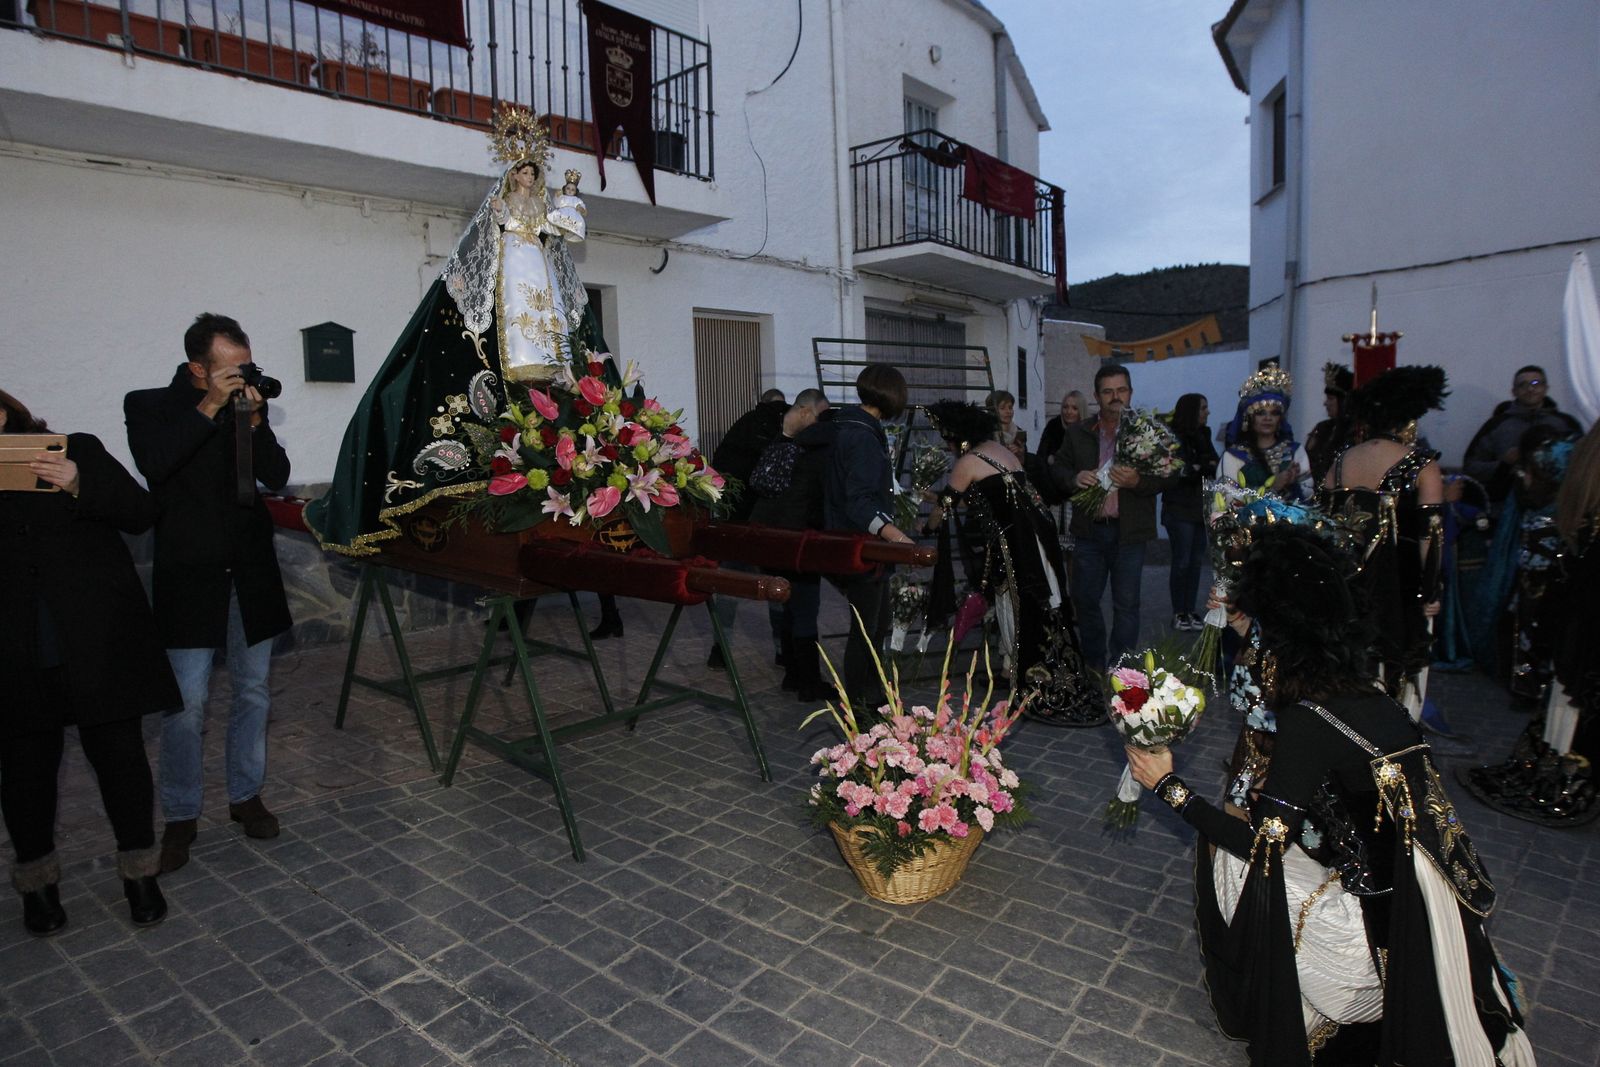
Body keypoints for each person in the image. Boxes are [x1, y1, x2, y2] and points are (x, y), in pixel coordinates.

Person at [1126, 523, 1535, 1067]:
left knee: (1228, 859)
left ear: (1284, 641)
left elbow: (1261, 847)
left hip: (1381, 933)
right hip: (1430, 909)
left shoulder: (1309, 720)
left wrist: (1170, 789)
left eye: (1261, 636)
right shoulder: (1368, 694)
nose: (1255, 653)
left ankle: (1322, 1002)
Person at [306, 110, 604, 555]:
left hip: (539, 278)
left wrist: (571, 199)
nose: (526, 175)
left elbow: (570, 233)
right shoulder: (500, 208)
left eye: (531, 170)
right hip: (512, 277)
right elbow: (484, 244)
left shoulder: (544, 207)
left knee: (549, 325)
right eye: (520, 169)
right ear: (511, 174)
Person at [1, 389, 178, 934]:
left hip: (97, 642)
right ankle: (38, 886)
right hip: (15, 651)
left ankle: (140, 874)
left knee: (121, 760)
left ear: (7, 411)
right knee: (26, 775)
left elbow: (142, 513)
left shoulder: (78, 448)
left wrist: (79, 482)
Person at [125, 314, 293, 873]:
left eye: (245, 365)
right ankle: (180, 815)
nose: (239, 376)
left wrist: (255, 424)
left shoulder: (245, 409)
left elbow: (275, 474)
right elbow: (155, 465)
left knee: (253, 693)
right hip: (189, 576)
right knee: (185, 704)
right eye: (229, 369)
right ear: (198, 367)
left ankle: (246, 797)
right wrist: (208, 409)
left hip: (250, 570)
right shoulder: (150, 405)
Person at [923, 401, 1102, 726]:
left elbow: (949, 506)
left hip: (1015, 545)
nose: (946, 443)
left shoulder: (967, 461)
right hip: (1036, 537)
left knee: (1017, 609)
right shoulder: (995, 449)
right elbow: (979, 494)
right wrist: (932, 496)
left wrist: (927, 524)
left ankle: (1029, 684)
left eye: (946, 436)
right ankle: (1030, 674)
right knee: (1045, 605)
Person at [1463, 422, 1600, 826]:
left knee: (1568, 691)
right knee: (1575, 691)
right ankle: (1568, 768)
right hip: (1585, 617)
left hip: (1578, 611)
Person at [1318, 366, 1447, 720]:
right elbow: (1430, 536)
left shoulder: (1342, 462)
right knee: (1396, 671)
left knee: (1347, 666)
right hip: (1398, 587)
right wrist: (1432, 590)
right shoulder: (1422, 464)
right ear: (1408, 420)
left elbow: (1320, 525)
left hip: (1346, 585)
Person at [1054, 363, 1179, 670]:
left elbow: (1168, 477)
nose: (1115, 397)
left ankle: (1122, 668)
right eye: (1108, 391)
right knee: (1084, 600)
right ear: (1097, 396)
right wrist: (1075, 477)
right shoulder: (1078, 432)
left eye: (1121, 390)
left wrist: (1138, 482)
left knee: (1127, 605)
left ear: (1130, 392)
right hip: (1089, 532)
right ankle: (1094, 663)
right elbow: (1057, 469)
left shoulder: (1148, 432)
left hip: (1129, 533)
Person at [823, 364, 914, 711]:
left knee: (874, 627)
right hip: (864, 547)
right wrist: (897, 536)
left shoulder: (848, 424)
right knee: (866, 631)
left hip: (855, 542)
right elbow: (859, 501)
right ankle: (862, 707)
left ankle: (873, 700)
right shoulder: (862, 435)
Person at [705, 388, 805, 669]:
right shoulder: (790, 424)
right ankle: (782, 650)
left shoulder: (743, 424)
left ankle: (720, 650)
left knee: (728, 587)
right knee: (777, 587)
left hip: (737, 521)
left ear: (760, 403)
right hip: (772, 523)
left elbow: (719, 471)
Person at [748, 390, 832, 700]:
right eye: (821, 415)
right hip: (799, 541)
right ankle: (809, 681)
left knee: (789, 607)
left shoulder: (778, 445)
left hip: (773, 540)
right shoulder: (813, 450)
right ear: (807, 412)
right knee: (805, 609)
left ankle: (793, 675)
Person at [1463, 363, 1584, 509]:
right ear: (1514, 391)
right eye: (1523, 385)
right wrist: (1504, 464)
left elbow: (1582, 462)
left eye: (1536, 383)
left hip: (1559, 504)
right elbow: (1471, 467)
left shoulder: (1565, 424)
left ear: (1546, 388)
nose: (1530, 389)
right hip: (1506, 504)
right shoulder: (1497, 425)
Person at [1161, 393, 1217, 632]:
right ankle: (1178, 611)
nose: (1207, 412)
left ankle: (1190, 609)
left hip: (1199, 508)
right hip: (1179, 509)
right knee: (1182, 561)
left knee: (1195, 562)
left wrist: (1198, 467)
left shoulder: (1204, 435)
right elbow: (1180, 471)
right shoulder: (1173, 437)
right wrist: (1198, 467)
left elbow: (1212, 463)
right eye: (1203, 408)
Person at [1219, 365, 1312, 501]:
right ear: (1249, 418)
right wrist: (1272, 488)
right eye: (1260, 413)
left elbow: (1309, 492)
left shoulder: (1294, 451)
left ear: (1280, 418)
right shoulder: (1234, 456)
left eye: (1274, 413)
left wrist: (1293, 484)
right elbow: (1227, 498)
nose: (1267, 418)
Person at [1303, 362, 1353, 488]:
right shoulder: (1321, 428)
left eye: (1330, 398)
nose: (1326, 403)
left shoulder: (1355, 431)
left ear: (1344, 401)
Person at [1036, 389, 1085, 467]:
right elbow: (1041, 456)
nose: (1069, 412)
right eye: (1065, 407)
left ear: (1082, 411)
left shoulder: (1089, 431)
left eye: (1074, 408)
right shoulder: (1053, 427)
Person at [985, 389, 1025, 459]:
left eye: (1010, 407)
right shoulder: (986, 433)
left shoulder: (1018, 432)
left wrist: (1020, 453)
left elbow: (1023, 463)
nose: (1008, 411)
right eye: (1002, 408)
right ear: (992, 411)